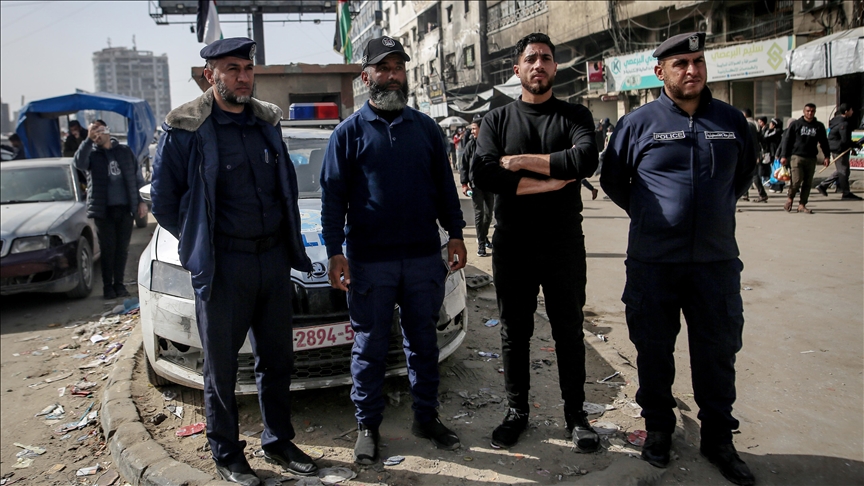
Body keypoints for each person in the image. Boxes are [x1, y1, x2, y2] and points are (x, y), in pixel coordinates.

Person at [150, 38, 317, 485]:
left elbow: (282, 190)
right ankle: (226, 453)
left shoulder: (266, 122)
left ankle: (279, 441)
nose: (242, 76)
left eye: (247, 67)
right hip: (225, 267)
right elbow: (164, 202)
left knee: (277, 360)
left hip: (272, 261)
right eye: (231, 68)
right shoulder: (185, 127)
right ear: (211, 75)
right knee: (221, 367)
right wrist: (199, 242)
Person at [601, 32, 756, 486]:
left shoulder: (731, 121)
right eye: (681, 63)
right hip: (654, 263)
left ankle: (719, 440)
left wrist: (711, 213)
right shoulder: (638, 123)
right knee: (653, 351)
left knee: (717, 352)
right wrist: (651, 215)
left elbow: (741, 176)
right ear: (661, 72)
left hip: (715, 262)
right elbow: (614, 180)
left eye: (698, 61)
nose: (692, 70)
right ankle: (660, 429)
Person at [320, 36, 467, 465]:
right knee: (368, 347)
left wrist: (456, 234)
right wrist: (335, 251)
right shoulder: (347, 134)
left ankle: (426, 416)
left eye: (397, 68)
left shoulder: (425, 129)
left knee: (423, 341)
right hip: (370, 262)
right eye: (382, 69)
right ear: (366, 77)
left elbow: (445, 188)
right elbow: (333, 199)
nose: (391, 76)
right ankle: (368, 427)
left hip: (423, 258)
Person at [472, 32, 601, 452]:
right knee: (515, 332)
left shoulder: (575, 115)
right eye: (531, 58)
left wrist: (523, 163)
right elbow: (487, 174)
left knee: (568, 330)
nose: (539, 64)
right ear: (518, 69)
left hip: (564, 243)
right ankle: (517, 412)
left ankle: (576, 415)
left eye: (546, 58)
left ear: (555, 67)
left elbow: (584, 160)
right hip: (514, 244)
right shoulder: (496, 120)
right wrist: (553, 182)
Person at [74, 120, 147, 299]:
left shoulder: (124, 152)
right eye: (93, 132)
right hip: (103, 211)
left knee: (122, 250)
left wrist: (141, 201)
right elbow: (78, 163)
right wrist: (87, 140)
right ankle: (108, 287)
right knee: (108, 249)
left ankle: (119, 284)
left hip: (124, 209)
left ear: (107, 130)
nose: (97, 135)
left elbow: (136, 177)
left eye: (99, 131)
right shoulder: (91, 155)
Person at [780, 103, 830, 213]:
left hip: (811, 158)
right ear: (804, 111)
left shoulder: (819, 126)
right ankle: (790, 198)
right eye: (808, 111)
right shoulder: (796, 124)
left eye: (812, 111)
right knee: (796, 181)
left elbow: (824, 142)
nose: (810, 113)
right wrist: (783, 156)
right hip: (796, 157)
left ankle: (802, 204)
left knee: (808, 182)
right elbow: (787, 141)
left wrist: (827, 156)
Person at [460, 113, 495, 256]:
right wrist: (464, 183)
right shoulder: (470, 145)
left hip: (490, 184)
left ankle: (484, 237)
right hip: (475, 185)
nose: (472, 131)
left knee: (489, 214)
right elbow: (464, 164)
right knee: (479, 214)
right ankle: (481, 244)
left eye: (475, 128)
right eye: (472, 129)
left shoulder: (491, 143)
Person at [816, 103, 863, 200]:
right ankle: (845, 193)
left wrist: (852, 147)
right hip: (839, 148)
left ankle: (823, 185)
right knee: (843, 171)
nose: (852, 112)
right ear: (846, 112)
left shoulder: (836, 121)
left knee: (842, 170)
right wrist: (854, 145)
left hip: (836, 147)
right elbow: (845, 140)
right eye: (851, 110)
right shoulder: (844, 124)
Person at [741, 108, 768, 202]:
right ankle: (745, 194)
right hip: (754, 152)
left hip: (747, 153)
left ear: (744, 115)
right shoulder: (755, 124)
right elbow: (761, 139)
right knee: (747, 174)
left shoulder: (746, 125)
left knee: (753, 174)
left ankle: (761, 193)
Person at [762, 118, 785, 193]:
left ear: (774, 125)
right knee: (778, 169)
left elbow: (765, 137)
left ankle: (777, 186)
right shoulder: (781, 132)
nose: (770, 125)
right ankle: (778, 186)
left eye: (771, 123)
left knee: (776, 169)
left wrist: (768, 130)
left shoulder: (776, 132)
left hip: (776, 153)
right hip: (776, 153)